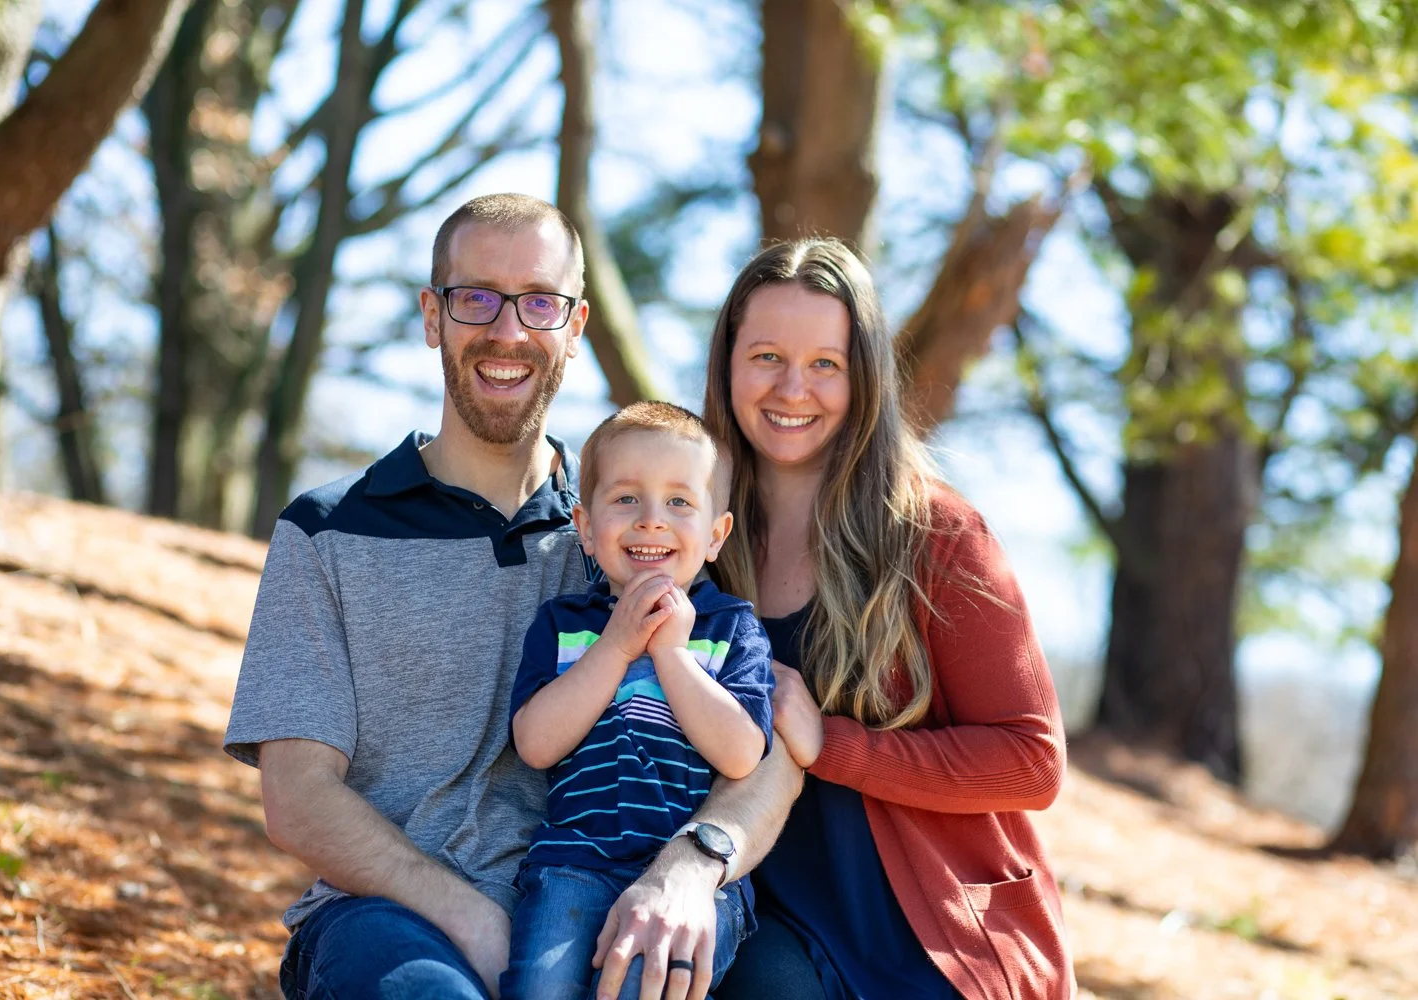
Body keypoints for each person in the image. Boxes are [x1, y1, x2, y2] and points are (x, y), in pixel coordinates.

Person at [223, 193, 803, 1000]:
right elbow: (296, 799)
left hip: (618, 901)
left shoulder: (629, 533)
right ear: (433, 316)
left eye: (539, 302)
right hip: (393, 919)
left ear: (575, 327)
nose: (507, 330)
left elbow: (770, 753)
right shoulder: (327, 532)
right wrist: (473, 918)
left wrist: (687, 870)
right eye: (475, 298)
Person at [702, 238, 1076, 1000]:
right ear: (728, 365)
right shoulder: (698, 535)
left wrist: (831, 744)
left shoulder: (935, 533)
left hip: (932, 934)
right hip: (774, 917)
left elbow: (1031, 761)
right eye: (766, 356)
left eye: (826, 364)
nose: (792, 388)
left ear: (865, 376)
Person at [503, 401, 774, 1000]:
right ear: (586, 527)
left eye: (680, 502)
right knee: (540, 988)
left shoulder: (731, 628)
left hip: (692, 882)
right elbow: (536, 744)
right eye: (626, 498)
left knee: (636, 991)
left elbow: (740, 755)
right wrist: (617, 647)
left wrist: (673, 655)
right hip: (572, 863)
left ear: (715, 534)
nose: (652, 520)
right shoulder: (563, 624)